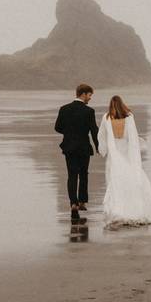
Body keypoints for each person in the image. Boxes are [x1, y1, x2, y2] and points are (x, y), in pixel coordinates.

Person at [97, 95, 151, 227]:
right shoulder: (129, 117)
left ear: (111, 106)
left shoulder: (106, 118)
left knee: (116, 181)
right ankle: (133, 209)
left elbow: (101, 136)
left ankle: (118, 210)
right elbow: (133, 137)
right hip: (126, 152)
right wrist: (138, 149)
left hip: (114, 153)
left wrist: (103, 150)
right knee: (130, 179)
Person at [54, 83, 100, 222]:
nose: (90, 98)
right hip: (83, 147)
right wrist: (98, 147)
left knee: (72, 175)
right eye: (90, 95)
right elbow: (94, 131)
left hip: (69, 147)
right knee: (83, 174)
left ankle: (73, 203)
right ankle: (82, 202)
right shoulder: (89, 111)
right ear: (83, 94)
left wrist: (69, 133)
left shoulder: (64, 109)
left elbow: (57, 127)